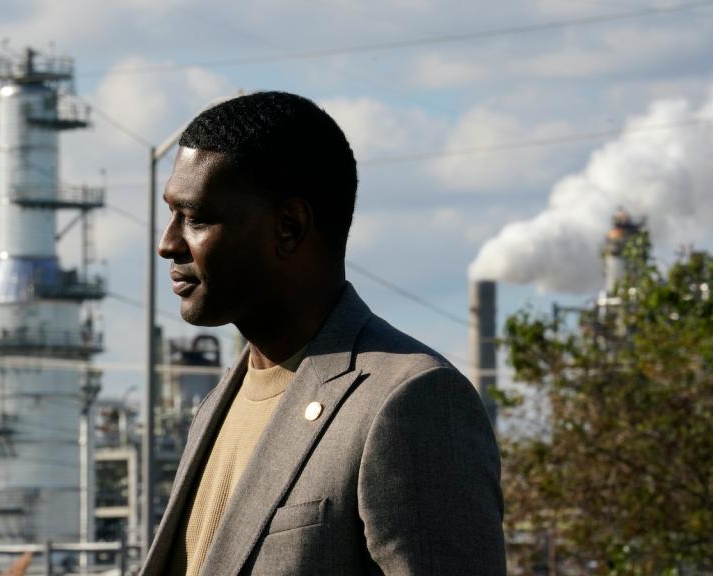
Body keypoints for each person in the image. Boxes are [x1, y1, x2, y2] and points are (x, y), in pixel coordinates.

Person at [140, 91, 506, 575]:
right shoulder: (215, 406)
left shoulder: (411, 400)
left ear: (288, 227)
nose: (168, 244)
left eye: (197, 218)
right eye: (171, 215)